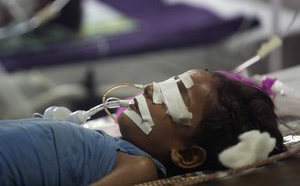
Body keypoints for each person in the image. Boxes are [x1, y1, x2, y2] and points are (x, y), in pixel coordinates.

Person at [0, 69, 286, 185]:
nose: (151, 89)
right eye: (168, 84)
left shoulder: (142, 167)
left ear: (186, 155)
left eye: (174, 99)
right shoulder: (114, 146)